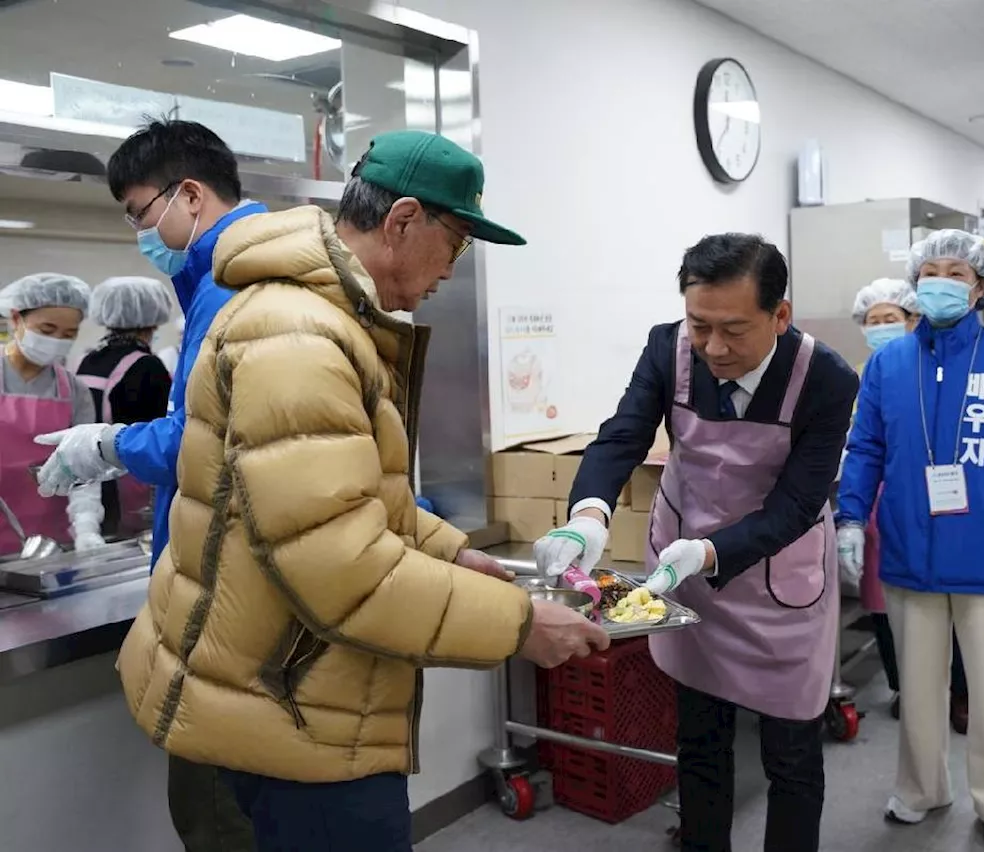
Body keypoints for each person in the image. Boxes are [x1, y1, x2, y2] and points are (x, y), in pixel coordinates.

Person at [109, 130, 609, 851]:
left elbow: (348, 501)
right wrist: (520, 625)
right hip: (295, 716)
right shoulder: (299, 339)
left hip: (298, 693)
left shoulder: (327, 322)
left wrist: (450, 551)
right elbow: (340, 569)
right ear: (403, 221)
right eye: (458, 242)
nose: (452, 269)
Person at [534, 233, 859, 852]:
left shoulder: (825, 378)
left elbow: (796, 504)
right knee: (699, 739)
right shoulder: (668, 348)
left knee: (791, 755)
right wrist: (588, 515)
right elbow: (622, 435)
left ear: (780, 315)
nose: (713, 347)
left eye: (734, 329)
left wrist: (712, 552)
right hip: (684, 584)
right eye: (699, 323)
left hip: (777, 585)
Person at [34, 119, 269, 852]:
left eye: (139, 214)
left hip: (232, 595)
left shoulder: (233, 288)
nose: (139, 232)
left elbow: (212, 438)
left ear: (188, 196)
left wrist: (105, 445)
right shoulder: (212, 283)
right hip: (217, 581)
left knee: (219, 809)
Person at [837, 229, 984, 850]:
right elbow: (864, 448)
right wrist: (851, 518)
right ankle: (921, 788)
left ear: (980, 288)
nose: (942, 281)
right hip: (910, 553)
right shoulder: (888, 365)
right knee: (917, 689)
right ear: (916, 282)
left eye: (957, 273)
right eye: (931, 270)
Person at [846, 277, 969, 733]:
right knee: (882, 603)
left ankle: (959, 691)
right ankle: (904, 687)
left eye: (890, 320)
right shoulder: (864, 374)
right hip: (883, 501)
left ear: (912, 319)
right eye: (873, 321)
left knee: (949, 598)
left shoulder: (938, 365)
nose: (881, 328)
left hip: (940, 498)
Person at [0, 274, 104, 554]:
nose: (57, 341)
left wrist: (86, 527)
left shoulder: (74, 390)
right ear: (16, 319)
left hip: (49, 540)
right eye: (47, 330)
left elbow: (84, 466)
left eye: (69, 335)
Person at [76, 276, 173, 539]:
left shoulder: (89, 359)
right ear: (154, 317)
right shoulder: (148, 366)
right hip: (130, 482)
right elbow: (161, 432)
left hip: (89, 481)